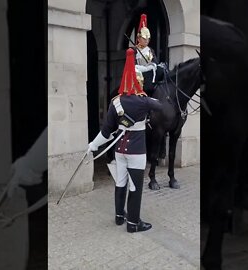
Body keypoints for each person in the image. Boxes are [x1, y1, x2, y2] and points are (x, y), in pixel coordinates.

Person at [88, 48, 163, 233]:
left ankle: (119, 216)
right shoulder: (144, 102)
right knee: (135, 187)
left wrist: (92, 145)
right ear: (139, 82)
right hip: (137, 152)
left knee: (120, 183)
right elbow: (162, 107)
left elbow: (106, 132)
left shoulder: (116, 102)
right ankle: (133, 223)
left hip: (119, 151)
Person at [132, 14, 164, 96]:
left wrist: (152, 65)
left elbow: (155, 61)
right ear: (139, 39)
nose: (146, 41)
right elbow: (133, 64)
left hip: (150, 70)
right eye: (144, 38)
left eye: (148, 39)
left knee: (161, 70)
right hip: (139, 72)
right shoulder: (134, 50)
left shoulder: (150, 50)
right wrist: (143, 68)